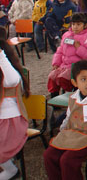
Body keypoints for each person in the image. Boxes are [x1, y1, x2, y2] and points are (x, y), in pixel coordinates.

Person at [0, 27, 29, 180]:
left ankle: (10, 169)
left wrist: (0, 56)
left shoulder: (7, 68)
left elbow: (11, 81)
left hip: (10, 120)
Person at [47, 13, 87, 97]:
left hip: (77, 67)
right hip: (63, 65)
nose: (75, 27)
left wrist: (78, 48)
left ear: (85, 25)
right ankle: (54, 98)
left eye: (78, 24)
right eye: (73, 24)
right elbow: (60, 50)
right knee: (52, 77)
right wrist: (56, 63)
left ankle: (72, 95)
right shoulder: (66, 35)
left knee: (63, 78)